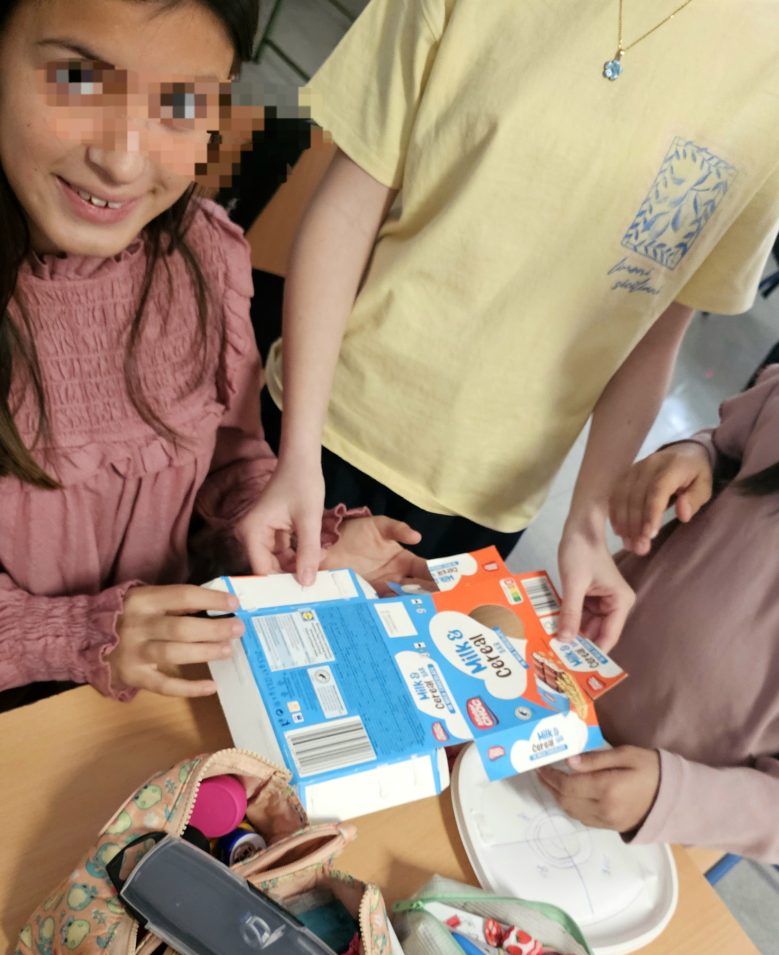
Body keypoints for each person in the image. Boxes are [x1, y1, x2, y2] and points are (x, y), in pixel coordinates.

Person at [242, 0, 779, 653]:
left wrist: (587, 522)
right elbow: (349, 209)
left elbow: (650, 334)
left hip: (486, 504)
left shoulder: (768, 80)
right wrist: (297, 451)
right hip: (319, 421)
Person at [0, 0, 424, 708]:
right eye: (78, 78)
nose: (121, 160)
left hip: (159, 707)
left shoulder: (204, 254)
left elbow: (225, 456)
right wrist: (75, 632)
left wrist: (285, 540)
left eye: (181, 104)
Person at [538, 367, 779, 861]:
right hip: (561, 680)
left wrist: (674, 798)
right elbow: (730, 442)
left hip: (653, 817)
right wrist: (694, 455)